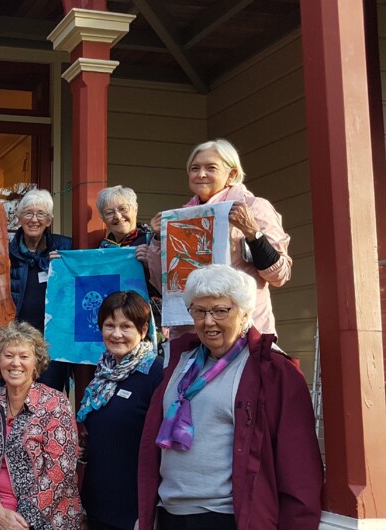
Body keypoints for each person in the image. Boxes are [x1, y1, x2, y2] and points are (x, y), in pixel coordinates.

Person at [137, 264, 322, 529]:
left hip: (227, 518)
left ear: (245, 313)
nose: (208, 321)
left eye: (220, 310)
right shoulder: (179, 362)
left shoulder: (273, 371)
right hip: (169, 514)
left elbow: (300, 467)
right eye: (199, 311)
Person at [148, 139, 291, 335]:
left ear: (231, 174)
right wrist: (157, 240)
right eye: (194, 168)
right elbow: (163, 284)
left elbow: (279, 276)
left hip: (243, 331)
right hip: (191, 331)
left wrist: (252, 232)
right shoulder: (182, 217)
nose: (201, 174)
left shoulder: (254, 207)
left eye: (211, 168)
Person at [0, 321, 83, 530]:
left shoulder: (55, 404)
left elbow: (60, 469)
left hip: (45, 519)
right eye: (8, 356)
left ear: (36, 363)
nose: (15, 363)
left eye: (24, 356)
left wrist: (22, 520)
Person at [77, 292, 163, 530]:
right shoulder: (101, 374)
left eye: (126, 326)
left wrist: (150, 513)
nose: (116, 334)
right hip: (97, 508)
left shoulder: (158, 375)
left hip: (136, 513)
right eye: (109, 325)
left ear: (143, 329)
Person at [7, 188, 73, 392]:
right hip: (17, 341)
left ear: (49, 220)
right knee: (17, 395)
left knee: (47, 396)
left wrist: (66, 265)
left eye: (41, 214)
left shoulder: (66, 248)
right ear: (19, 218)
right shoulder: (6, 253)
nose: (34, 219)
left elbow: (86, 276)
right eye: (28, 213)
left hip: (53, 342)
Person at [96, 186, 162, 324]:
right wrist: (60, 262)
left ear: (135, 208)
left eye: (123, 209)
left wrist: (151, 262)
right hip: (113, 318)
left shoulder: (154, 241)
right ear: (102, 218)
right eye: (109, 212)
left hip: (148, 317)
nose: (118, 216)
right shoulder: (101, 250)